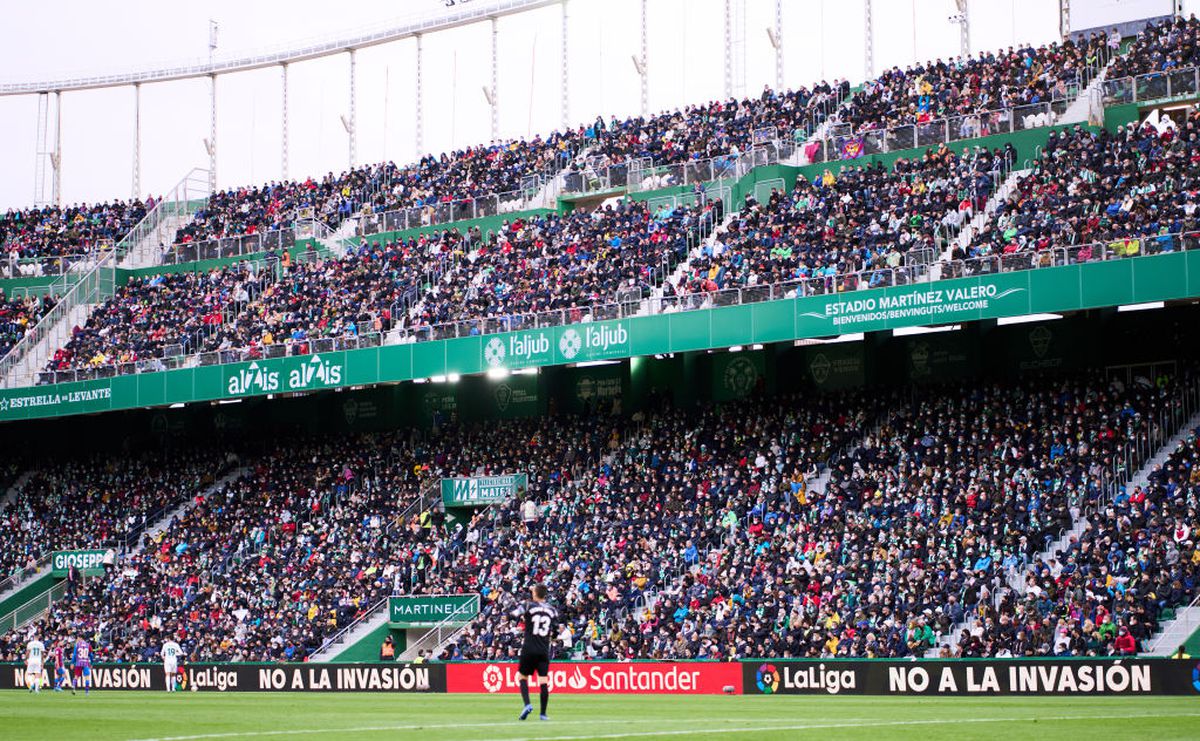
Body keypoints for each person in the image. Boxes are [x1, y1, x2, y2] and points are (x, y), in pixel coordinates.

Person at [513, 583, 558, 722]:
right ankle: (543, 714)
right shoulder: (553, 610)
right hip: (544, 649)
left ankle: (527, 704)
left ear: (534, 593)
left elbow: (513, 614)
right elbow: (555, 632)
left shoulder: (528, 605)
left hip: (529, 647)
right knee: (543, 680)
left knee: (522, 677)